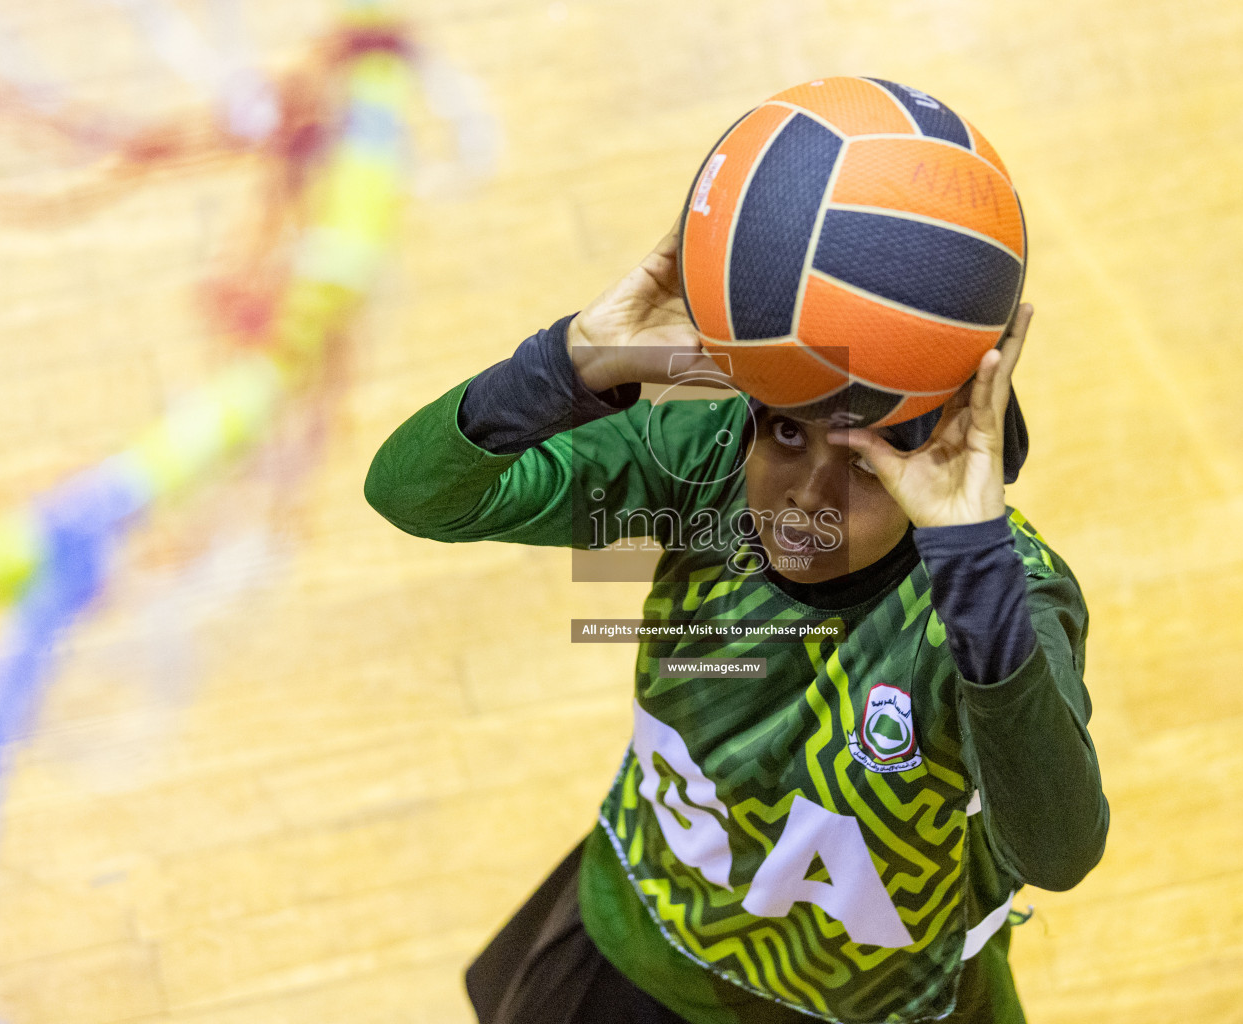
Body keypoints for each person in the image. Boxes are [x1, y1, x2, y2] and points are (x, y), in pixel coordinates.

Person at [364, 227, 1109, 1024]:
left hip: (876, 1008)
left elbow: (1060, 852)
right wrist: (570, 361)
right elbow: (415, 494)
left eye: (866, 461)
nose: (808, 498)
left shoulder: (1003, 595)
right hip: (646, 945)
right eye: (788, 431)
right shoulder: (709, 457)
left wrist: (974, 576)